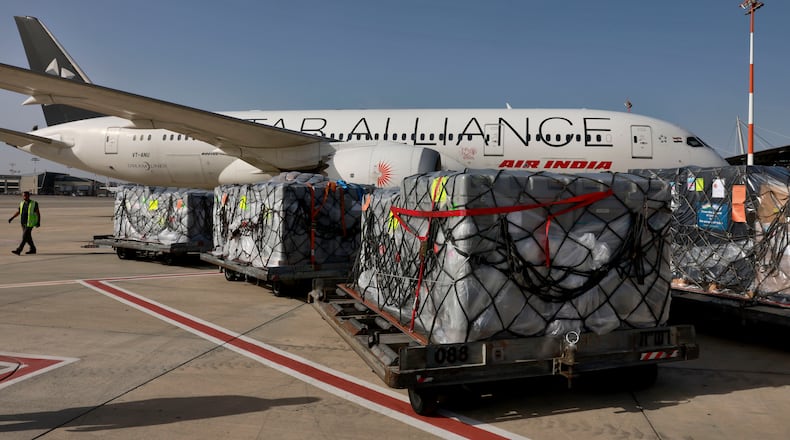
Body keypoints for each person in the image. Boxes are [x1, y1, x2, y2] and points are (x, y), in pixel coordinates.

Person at [8, 191, 41, 255]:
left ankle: (19, 250)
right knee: (28, 237)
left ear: (29, 196)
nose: (24, 197)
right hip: (23, 223)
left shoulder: (34, 203)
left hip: (30, 223)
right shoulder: (22, 203)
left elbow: (38, 213)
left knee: (24, 236)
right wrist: (12, 218)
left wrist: (38, 222)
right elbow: (19, 212)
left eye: (25, 195)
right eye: (23, 195)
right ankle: (33, 249)